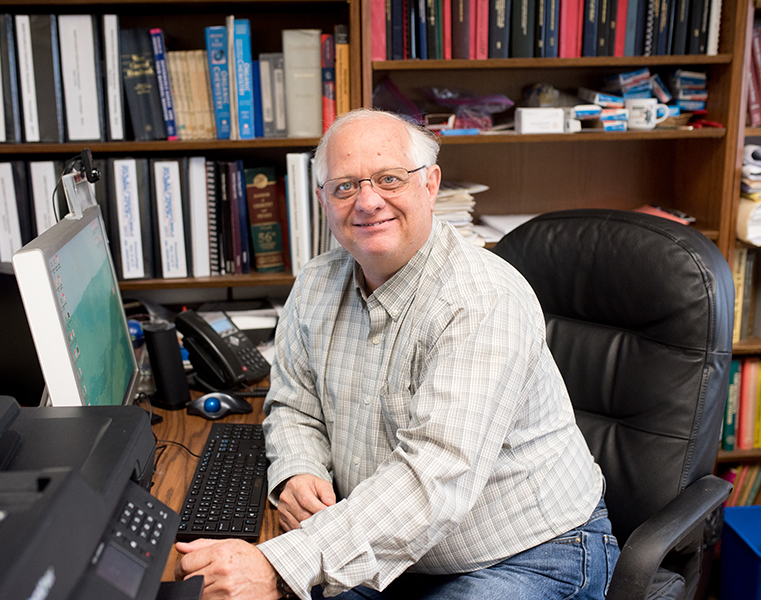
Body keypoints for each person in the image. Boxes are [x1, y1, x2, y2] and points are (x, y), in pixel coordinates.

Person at [175, 108, 619, 599]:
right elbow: (295, 405)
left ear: (430, 184)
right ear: (322, 199)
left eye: (389, 179)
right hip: (387, 548)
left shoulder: (481, 298)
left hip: (525, 556)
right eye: (345, 186)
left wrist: (280, 567)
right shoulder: (317, 284)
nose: (367, 202)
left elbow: (434, 479)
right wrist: (298, 469)